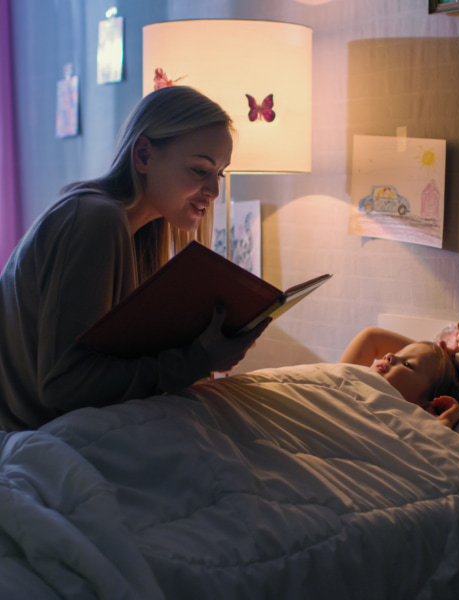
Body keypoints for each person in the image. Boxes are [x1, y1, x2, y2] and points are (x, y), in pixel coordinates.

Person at [0, 86, 270, 432]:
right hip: (36, 440)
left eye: (219, 174)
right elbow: (63, 386)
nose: (215, 191)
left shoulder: (131, 232)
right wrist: (198, 359)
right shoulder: (94, 220)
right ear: (143, 155)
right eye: (200, 170)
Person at [339, 320, 459, 429]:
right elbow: (371, 337)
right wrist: (437, 354)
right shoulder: (345, 380)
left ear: (427, 405)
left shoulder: (400, 427)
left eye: (407, 364)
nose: (389, 355)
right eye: (397, 354)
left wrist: (447, 420)